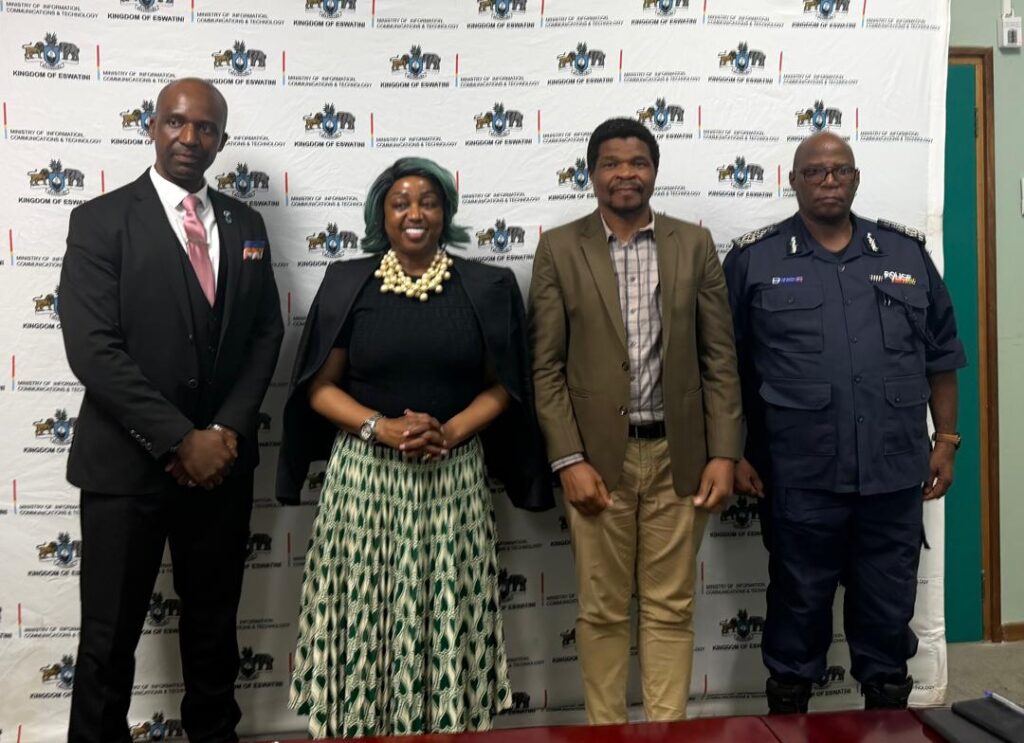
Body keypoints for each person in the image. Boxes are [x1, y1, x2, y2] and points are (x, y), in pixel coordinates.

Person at [276, 157, 553, 739]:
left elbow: (506, 386)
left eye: (428, 201)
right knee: (366, 616)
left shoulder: (487, 286)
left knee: (444, 613)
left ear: (446, 212)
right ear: (382, 212)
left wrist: (448, 432)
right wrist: (381, 427)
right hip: (364, 480)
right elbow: (320, 389)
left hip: (451, 477)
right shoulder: (349, 282)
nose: (415, 213)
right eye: (400, 201)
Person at [59, 78, 283, 742]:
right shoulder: (100, 220)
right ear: (152, 127)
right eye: (177, 123)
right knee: (108, 637)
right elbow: (93, 349)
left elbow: (266, 332)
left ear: (221, 139)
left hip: (220, 468)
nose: (191, 138)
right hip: (124, 469)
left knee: (214, 629)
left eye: (206, 127)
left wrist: (223, 432)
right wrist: (179, 439)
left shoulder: (247, 224)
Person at [723, 132, 966, 713]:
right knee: (796, 612)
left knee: (886, 616)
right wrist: (733, 451)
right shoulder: (754, 260)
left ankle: (887, 719)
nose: (828, 180)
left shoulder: (906, 256)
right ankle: (790, 716)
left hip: (892, 473)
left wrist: (948, 440)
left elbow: (941, 357)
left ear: (855, 179)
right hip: (799, 476)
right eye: (815, 171)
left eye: (839, 171)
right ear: (794, 180)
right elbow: (724, 369)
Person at [529, 117, 743, 723]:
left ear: (654, 170)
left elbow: (719, 360)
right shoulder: (559, 248)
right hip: (598, 461)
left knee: (671, 607)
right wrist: (568, 459)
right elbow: (545, 368)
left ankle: (666, 732)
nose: (626, 173)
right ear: (591, 173)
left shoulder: (692, 245)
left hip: (681, 457)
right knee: (601, 611)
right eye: (611, 163)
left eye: (638, 162)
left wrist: (724, 453)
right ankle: (606, 733)